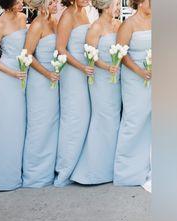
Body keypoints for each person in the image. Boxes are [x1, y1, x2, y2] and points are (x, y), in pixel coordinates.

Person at [71, 0, 122, 184]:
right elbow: (90, 56)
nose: (118, 8)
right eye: (116, 4)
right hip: (101, 80)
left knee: (114, 118)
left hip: (117, 79)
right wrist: (108, 67)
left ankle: (113, 165)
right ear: (106, 6)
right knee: (103, 118)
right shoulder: (95, 28)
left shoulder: (118, 24)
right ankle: (95, 168)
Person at [54, 0, 94, 187]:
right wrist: (82, 67)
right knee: (74, 117)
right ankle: (65, 167)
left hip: (85, 70)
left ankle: (79, 164)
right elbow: (61, 49)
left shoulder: (85, 12)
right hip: (72, 72)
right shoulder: (67, 16)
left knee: (84, 116)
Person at [0, 0, 27, 191]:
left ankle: (16, 170)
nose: (22, 3)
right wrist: (11, 72)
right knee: (4, 125)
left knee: (19, 125)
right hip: (5, 78)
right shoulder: (0, 25)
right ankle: (0, 175)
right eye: (17, 0)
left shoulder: (23, 17)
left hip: (23, 76)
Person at [22, 0, 60, 187]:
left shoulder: (54, 21)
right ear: (42, 4)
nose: (56, 4)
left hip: (54, 78)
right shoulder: (37, 24)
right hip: (40, 80)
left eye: (56, 1)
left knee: (52, 124)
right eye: (51, 2)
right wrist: (47, 74)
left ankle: (48, 171)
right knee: (39, 125)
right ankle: (34, 174)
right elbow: (27, 56)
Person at [113, 0, 152, 186]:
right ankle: (127, 171)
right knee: (134, 119)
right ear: (140, 3)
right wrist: (139, 71)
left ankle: (149, 166)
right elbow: (121, 54)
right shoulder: (128, 24)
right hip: (135, 78)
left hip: (153, 76)